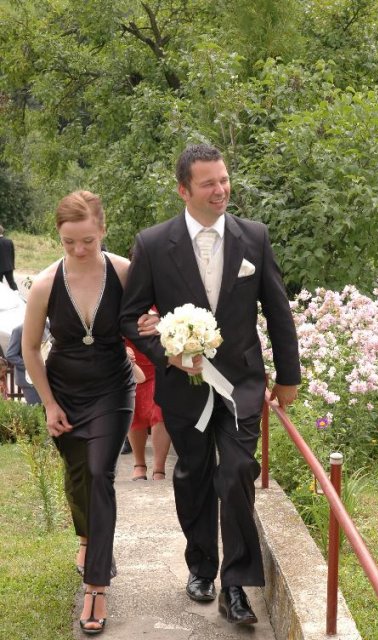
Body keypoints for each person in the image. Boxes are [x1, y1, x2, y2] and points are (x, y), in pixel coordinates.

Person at [120, 144, 301, 625]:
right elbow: (130, 316)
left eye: (223, 179)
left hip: (241, 383)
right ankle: (201, 566)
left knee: (237, 471)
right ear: (184, 190)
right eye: (208, 183)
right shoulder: (153, 244)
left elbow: (277, 310)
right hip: (183, 389)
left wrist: (289, 375)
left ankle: (236, 585)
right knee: (193, 474)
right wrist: (168, 352)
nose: (220, 190)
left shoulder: (254, 237)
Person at [22, 190, 157, 635]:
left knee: (100, 474)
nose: (79, 250)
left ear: (103, 230)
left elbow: (145, 316)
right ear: (58, 238)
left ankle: (96, 585)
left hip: (113, 388)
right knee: (78, 477)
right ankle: (87, 537)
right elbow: (30, 349)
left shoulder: (124, 272)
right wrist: (49, 404)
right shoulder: (45, 284)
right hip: (64, 391)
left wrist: (152, 324)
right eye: (69, 242)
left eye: (87, 241)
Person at [124, 336, 171, 481]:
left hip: (158, 353)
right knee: (135, 410)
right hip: (131, 356)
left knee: (160, 410)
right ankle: (139, 464)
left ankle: (159, 469)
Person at [6, 323, 44, 404]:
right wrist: (32, 366)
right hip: (29, 382)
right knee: (36, 409)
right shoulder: (19, 330)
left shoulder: (48, 326)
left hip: (47, 379)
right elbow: (11, 355)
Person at [0, 224, 18, 291]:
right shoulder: (9, 241)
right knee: (12, 283)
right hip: (9, 267)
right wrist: (12, 266)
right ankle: (17, 295)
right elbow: (12, 255)